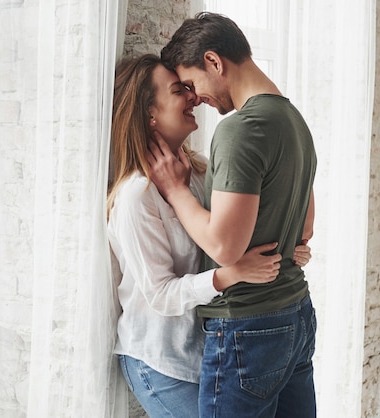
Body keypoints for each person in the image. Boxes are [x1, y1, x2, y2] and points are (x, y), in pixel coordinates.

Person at [107, 54, 312, 418]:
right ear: (149, 114)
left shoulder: (200, 170)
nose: (193, 97)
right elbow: (159, 294)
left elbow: (240, 228)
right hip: (161, 362)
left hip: (209, 350)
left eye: (189, 86)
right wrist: (230, 274)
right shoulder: (136, 197)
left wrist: (289, 246)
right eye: (178, 91)